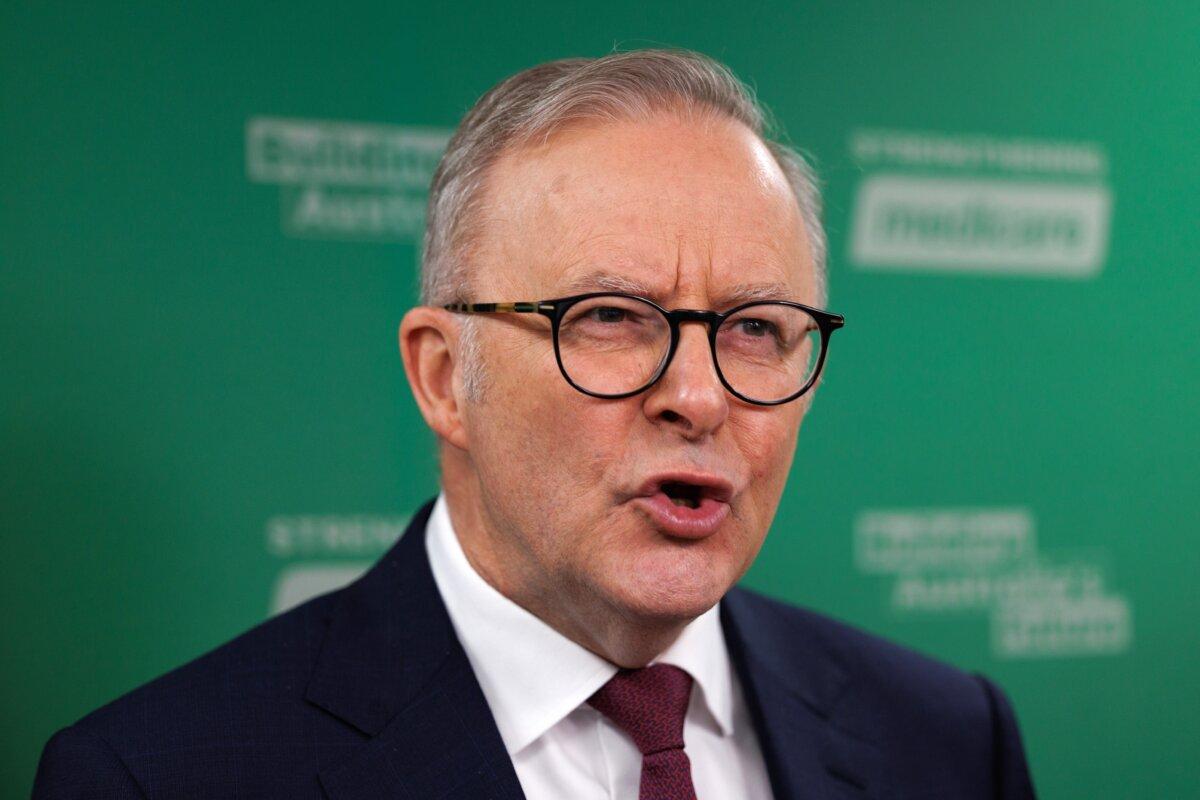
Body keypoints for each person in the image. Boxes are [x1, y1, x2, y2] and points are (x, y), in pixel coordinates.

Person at [33, 49, 1036, 799]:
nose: (699, 394)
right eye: (609, 317)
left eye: (756, 328)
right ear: (442, 375)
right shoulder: (158, 775)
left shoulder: (947, 738)